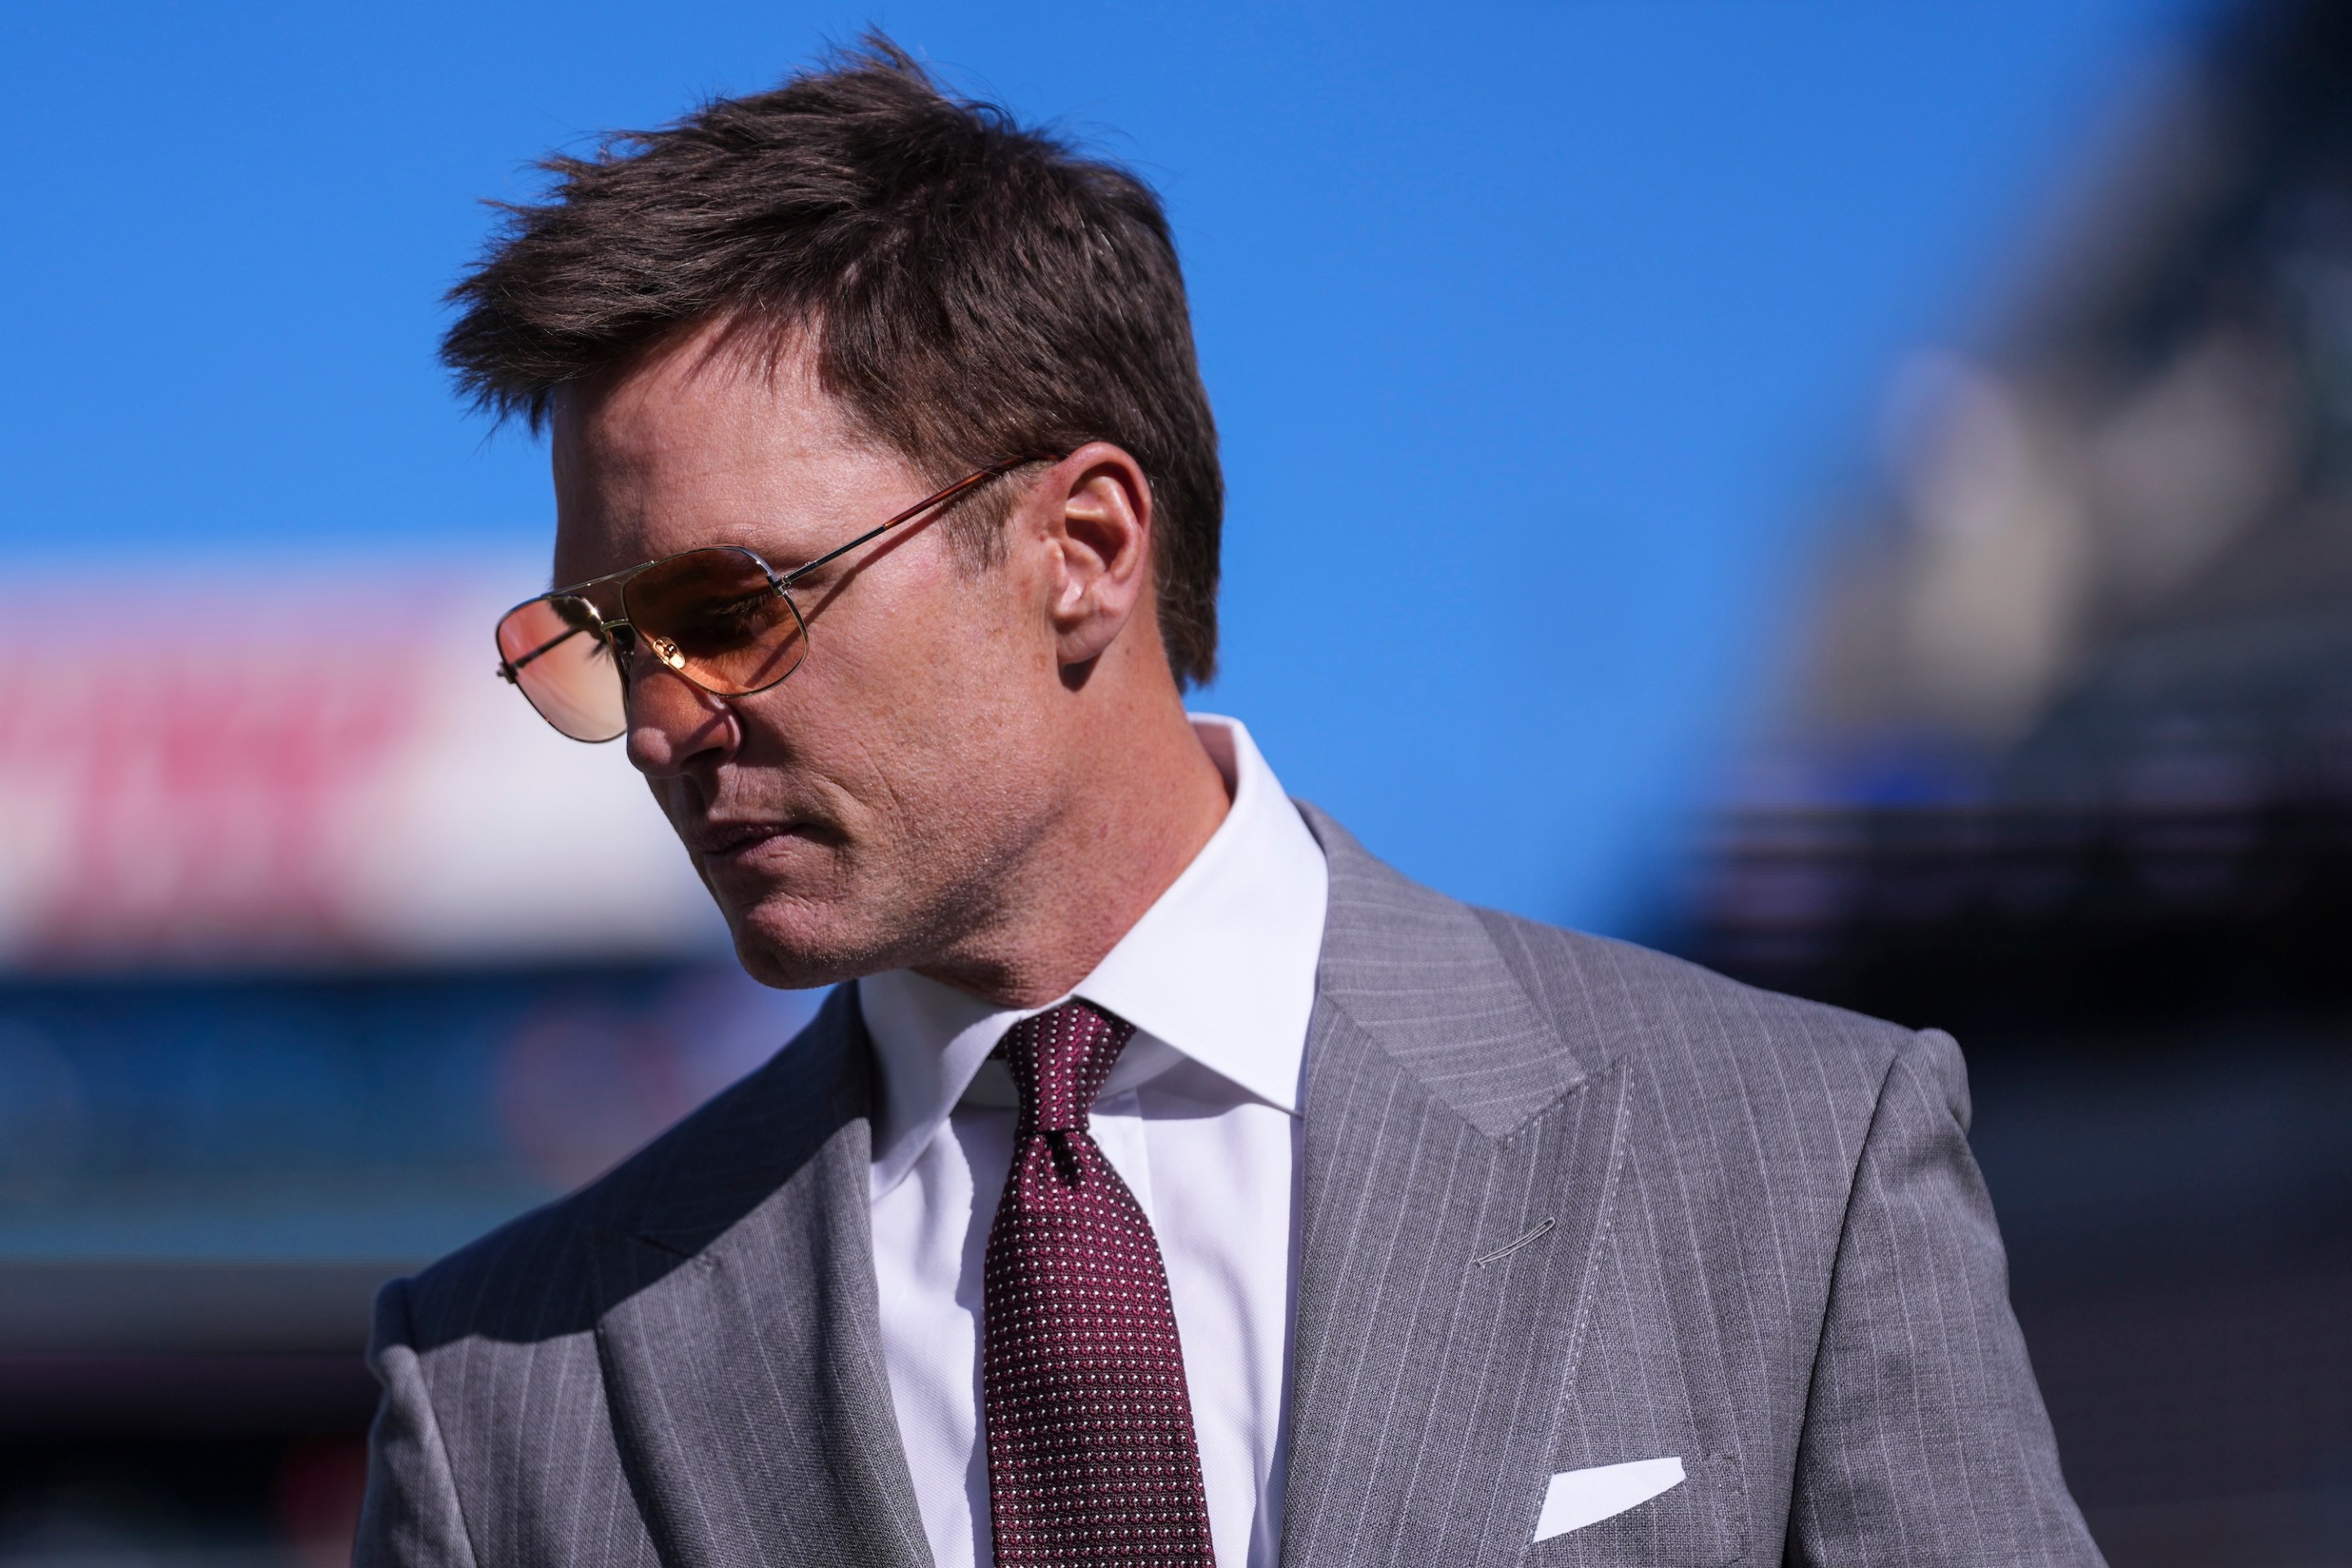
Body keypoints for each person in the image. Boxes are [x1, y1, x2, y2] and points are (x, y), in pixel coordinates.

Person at [356, 38, 2104, 1568]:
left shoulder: (1790, 1162)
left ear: (1085, 548)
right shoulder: (504, 1386)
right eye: (605, 645)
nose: (663, 725)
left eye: (728, 610)